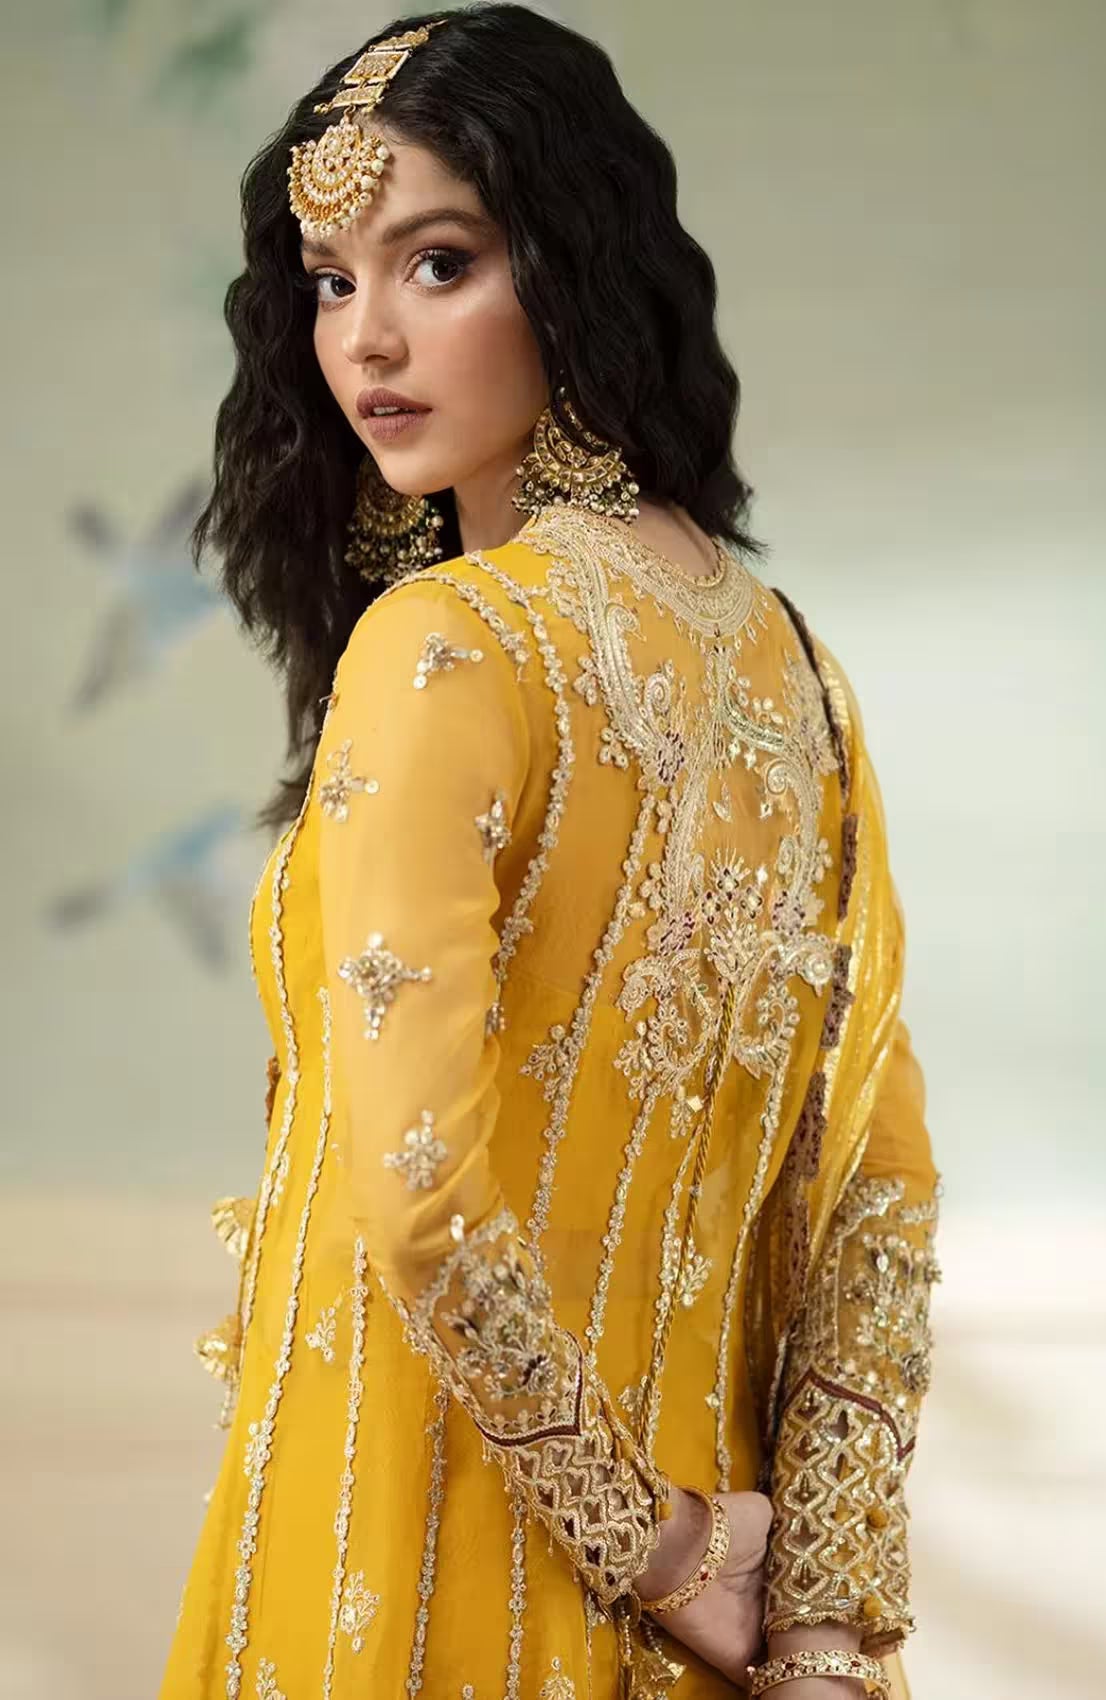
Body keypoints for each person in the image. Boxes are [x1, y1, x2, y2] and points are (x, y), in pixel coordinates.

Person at [162, 8, 941, 1698]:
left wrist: (663, 1550)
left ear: (577, 266)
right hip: (718, 1620)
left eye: (439, 263)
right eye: (329, 281)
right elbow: (877, 1207)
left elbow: (422, 1203)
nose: (366, 340)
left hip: (413, 1562)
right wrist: (813, 1626)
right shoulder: (799, 674)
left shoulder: (448, 641)